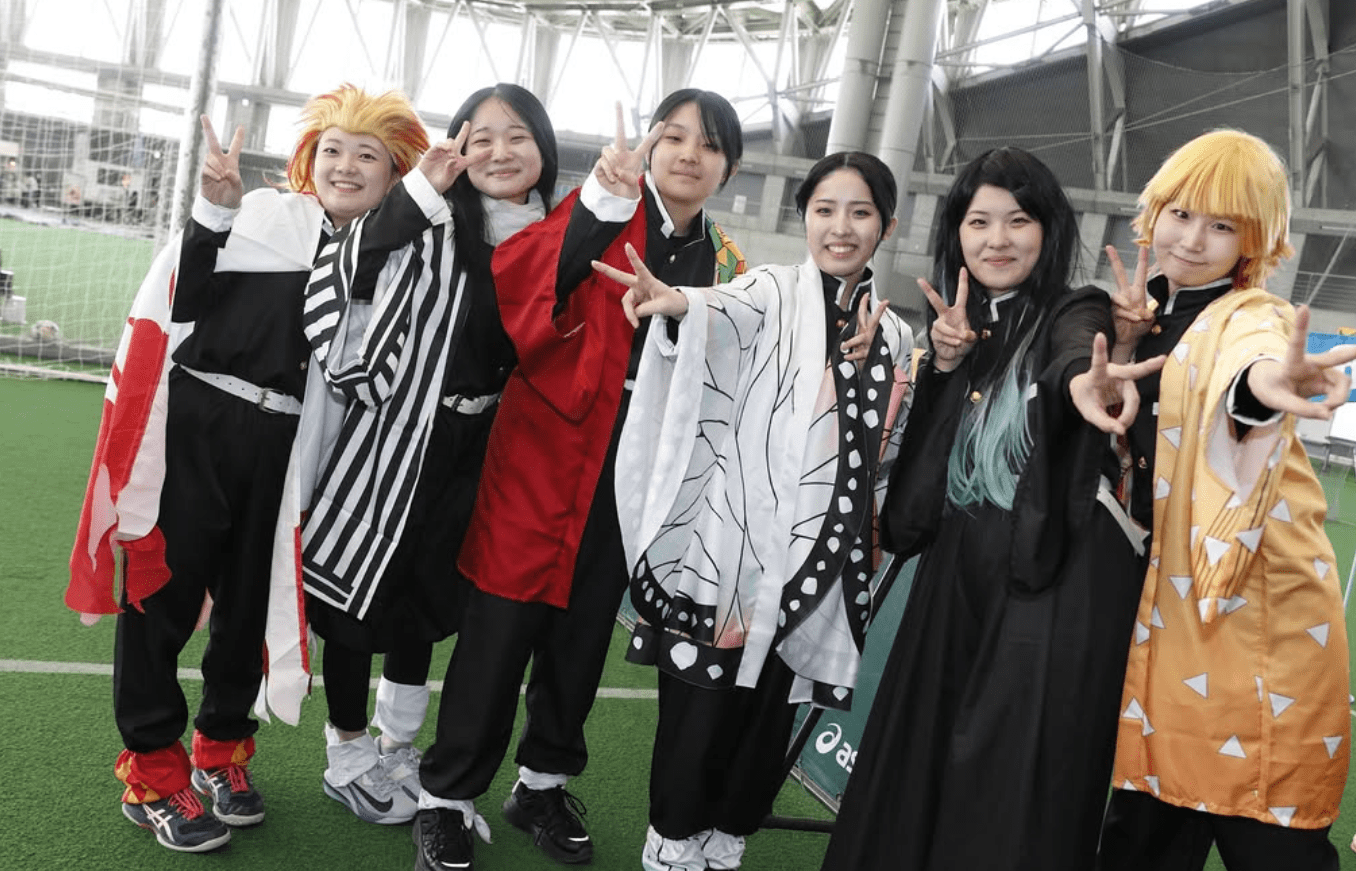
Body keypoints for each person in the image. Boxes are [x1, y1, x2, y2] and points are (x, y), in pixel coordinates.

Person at [66, 85, 426, 853]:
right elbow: (184, 298)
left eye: (367, 155)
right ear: (309, 160)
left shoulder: (393, 263)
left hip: (286, 449)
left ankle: (219, 753)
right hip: (200, 425)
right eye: (332, 149)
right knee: (162, 598)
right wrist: (215, 212)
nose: (345, 165)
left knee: (247, 610)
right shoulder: (266, 216)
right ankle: (152, 774)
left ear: (397, 176)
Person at [411, 90, 746, 871]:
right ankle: (447, 796)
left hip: (635, 470)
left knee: (585, 631)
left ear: (729, 167)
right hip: (545, 452)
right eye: (674, 136)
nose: (689, 154)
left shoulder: (727, 262)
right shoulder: (600, 208)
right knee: (498, 629)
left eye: (710, 144)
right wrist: (598, 206)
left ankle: (542, 783)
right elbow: (525, 284)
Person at [818, 147, 1165, 871]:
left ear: (1048, 231)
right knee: (916, 768)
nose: (997, 239)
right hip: (952, 578)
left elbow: (1075, 353)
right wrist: (945, 368)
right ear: (957, 233)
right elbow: (910, 517)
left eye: (1017, 220)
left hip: (1037, 583)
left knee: (1003, 788)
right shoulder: (955, 329)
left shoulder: (1076, 307)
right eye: (978, 222)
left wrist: (1083, 382)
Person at [591, 149, 913, 871]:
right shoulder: (772, 287)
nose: (840, 227)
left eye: (860, 212)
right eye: (825, 210)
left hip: (818, 561)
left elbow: (884, 450)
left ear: (886, 226)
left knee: (769, 713)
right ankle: (671, 843)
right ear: (805, 219)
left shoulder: (894, 333)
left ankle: (726, 838)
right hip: (731, 550)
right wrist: (677, 301)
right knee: (699, 708)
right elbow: (720, 308)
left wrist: (873, 370)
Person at [1072, 130, 1354, 871]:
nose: (1193, 240)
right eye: (1181, 214)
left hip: (1262, 620)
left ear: (1253, 240)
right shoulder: (1143, 317)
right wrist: (1123, 349)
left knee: (1270, 837)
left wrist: (1267, 385)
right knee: (1144, 826)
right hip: (1170, 623)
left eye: (1223, 224)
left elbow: (1247, 368)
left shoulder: (1250, 315)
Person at [288, 83, 558, 827]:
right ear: (456, 148)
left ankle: (398, 745)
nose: (499, 152)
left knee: (429, 603)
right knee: (356, 595)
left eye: (517, 137)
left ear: (543, 148)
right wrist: (418, 193)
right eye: (481, 137)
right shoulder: (429, 218)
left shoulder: (553, 237)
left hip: (484, 448)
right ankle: (347, 751)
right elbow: (351, 265)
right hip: (394, 434)